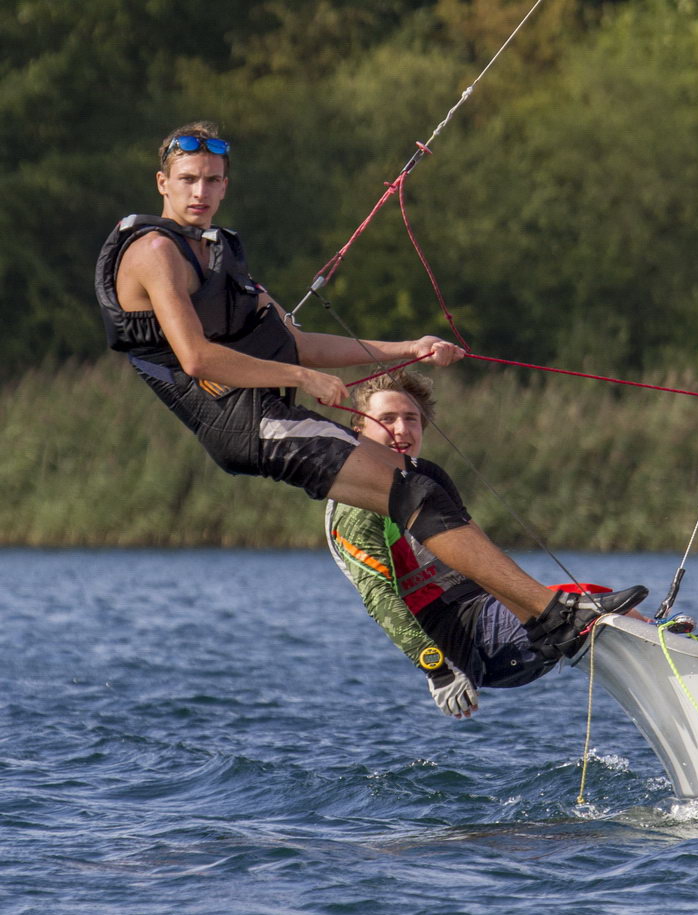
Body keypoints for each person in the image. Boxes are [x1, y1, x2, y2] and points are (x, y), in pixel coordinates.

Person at [95, 120, 645, 658]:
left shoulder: (219, 254)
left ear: (225, 186)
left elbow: (300, 343)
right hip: (244, 426)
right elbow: (196, 357)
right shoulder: (155, 251)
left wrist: (409, 348)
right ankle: (552, 618)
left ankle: (537, 617)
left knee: (425, 482)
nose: (201, 192)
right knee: (411, 493)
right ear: (163, 183)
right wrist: (300, 379)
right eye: (188, 179)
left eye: (212, 180)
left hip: (267, 413)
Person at [328, 370, 617, 717]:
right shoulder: (355, 506)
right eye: (387, 419)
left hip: (494, 611)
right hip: (469, 642)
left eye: (411, 419)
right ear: (359, 429)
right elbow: (378, 597)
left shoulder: (426, 478)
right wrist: (436, 670)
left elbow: (483, 556)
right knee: (595, 613)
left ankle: (659, 642)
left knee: (602, 602)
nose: (402, 430)